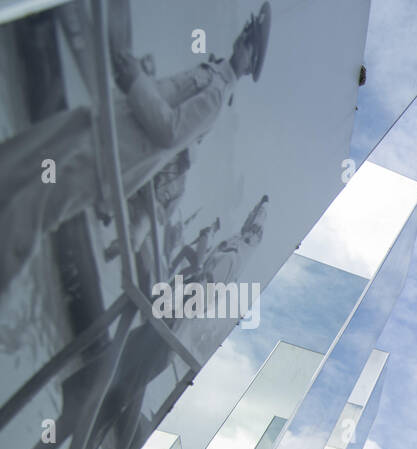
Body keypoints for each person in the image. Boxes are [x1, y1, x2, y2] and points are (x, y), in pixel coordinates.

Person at [0, 3, 272, 294]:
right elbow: (162, 102)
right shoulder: (211, 71)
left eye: (248, 40)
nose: (242, 37)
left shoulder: (216, 97)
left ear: (250, 61)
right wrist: (143, 76)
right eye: (246, 31)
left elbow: (171, 131)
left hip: (108, 158)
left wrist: (136, 82)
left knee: (31, 210)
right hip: (101, 125)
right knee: (17, 165)